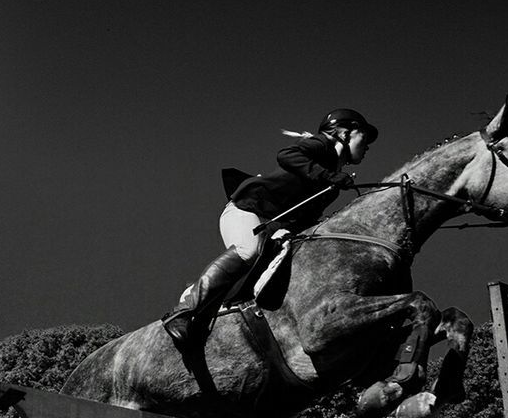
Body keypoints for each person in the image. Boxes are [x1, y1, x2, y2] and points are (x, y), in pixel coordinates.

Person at [161, 108, 377, 354]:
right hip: (246, 209)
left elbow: (303, 217)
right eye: (365, 136)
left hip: (272, 225)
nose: (368, 146)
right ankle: (184, 311)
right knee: (247, 251)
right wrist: (328, 175)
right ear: (344, 132)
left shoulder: (333, 184)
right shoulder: (322, 145)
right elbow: (287, 155)